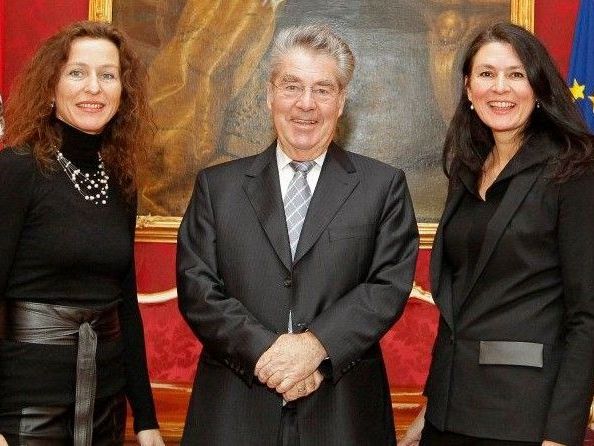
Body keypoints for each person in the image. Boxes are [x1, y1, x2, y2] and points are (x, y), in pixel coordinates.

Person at [177, 24, 419, 446]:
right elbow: (198, 289)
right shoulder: (218, 188)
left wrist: (316, 349)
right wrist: (269, 356)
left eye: (323, 90)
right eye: (291, 86)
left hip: (342, 411)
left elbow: (386, 287)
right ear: (269, 94)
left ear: (342, 102)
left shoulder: (383, 186)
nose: (305, 105)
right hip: (235, 409)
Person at [401, 22, 594, 446]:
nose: (499, 87)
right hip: (448, 415)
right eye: (486, 74)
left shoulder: (573, 169)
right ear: (468, 89)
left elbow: (588, 315)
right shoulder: (467, 169)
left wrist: (561, 434)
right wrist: (430, 408)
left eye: (516, 74)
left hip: (523, 421)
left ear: (538, 88)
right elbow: (463, 306)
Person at [0, 21, 164, 446]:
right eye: (77, 72)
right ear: (50, 86)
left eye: (107, 75)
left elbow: (126, 304)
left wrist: (146, 420)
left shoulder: (121, 181)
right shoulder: (16, 169)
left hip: (106, 404)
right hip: (27, 407)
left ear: (122, 91)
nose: (94, 87)